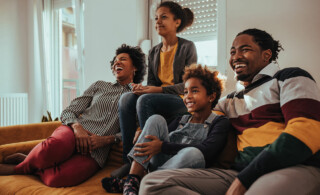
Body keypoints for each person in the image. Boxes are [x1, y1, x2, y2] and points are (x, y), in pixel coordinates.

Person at [139, 28, 320, 195]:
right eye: (233, 52)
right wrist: (146, 129)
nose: (236, 56)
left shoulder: (290, 77)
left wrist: (245, 178)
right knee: (151, 183)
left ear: (266, 55)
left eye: (245, 49)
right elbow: (193, 115)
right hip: (236, 173)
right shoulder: (230, 100)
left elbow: (306, 131)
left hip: (291, 166)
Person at [0, 44, 146, 187]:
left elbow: (134, 131)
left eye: (123, 59)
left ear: (135, 67)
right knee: (54, 146)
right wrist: (77, 128)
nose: (116, 63)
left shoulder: (139, 97)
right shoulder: (99, 86)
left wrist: (106, 140)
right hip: (73, 132)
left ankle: (28, 161)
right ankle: (18, 169)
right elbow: (68, 111)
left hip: (96, 151)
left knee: (56, 179)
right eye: (114, 61)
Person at [102, 64, 233, 195]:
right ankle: (132, 181)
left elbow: (207, 151)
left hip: (185, 172)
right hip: (161, 165)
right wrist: (143, 131)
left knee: (193, 153)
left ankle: (145, 182)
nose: (187, 96)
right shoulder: (181, 119)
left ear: (211, 96)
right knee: (155, 119)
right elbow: (156, 137)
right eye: (185, 92)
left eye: (194, 91)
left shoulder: (220, 122)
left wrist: (163, 146)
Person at [112, 1, 198, 179]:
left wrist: (156, 90)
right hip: (159, 98)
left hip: (182, 99)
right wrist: (141, 88)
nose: (158, 21)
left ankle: (146, 162)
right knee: (127, 98)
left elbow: (189, 85)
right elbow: (152, 82)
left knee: (146, 99)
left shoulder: (187, 47)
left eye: (164, 17)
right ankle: (129, 162)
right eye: (156, 18)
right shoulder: (153, 52)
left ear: (177, 22)